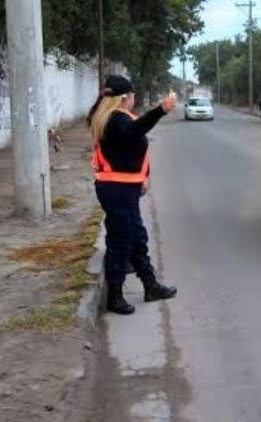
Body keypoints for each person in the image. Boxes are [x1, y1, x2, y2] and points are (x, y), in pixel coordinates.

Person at [87, 75, 177, 315]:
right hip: (118, 189)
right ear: (125, 97)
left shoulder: (109, 117)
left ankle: (150, 285)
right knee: (120, 241)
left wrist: (143, 177)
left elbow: (129, 148)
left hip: (123, 187)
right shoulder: (116, 120)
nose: (134, 99)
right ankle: (115, 296)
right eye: (132, 95)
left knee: (137, 236)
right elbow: (133, 132)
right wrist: (160, 110)